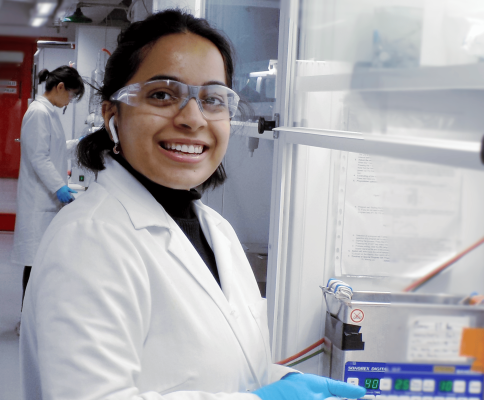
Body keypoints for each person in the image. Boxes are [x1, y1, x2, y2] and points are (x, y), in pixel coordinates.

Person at [20, 10, 368, 400]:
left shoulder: (215, 230)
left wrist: (275, 380)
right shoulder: (87, 242)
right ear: (112, 114)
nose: (192, 118)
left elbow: (216, 366)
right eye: (162, 95)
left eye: (213, 99)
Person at [11, 66, 84, 321]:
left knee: (40, 263)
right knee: (34, 263)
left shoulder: (48, 113)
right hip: (38, 200)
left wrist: (77, 143)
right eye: (72, 96)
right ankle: (26, 319)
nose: (70, 102)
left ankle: (34, 318)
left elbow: (50, 149)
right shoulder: (38, 112)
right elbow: (39, 157)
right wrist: (59, 187)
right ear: (60, 87)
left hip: (46, 199)